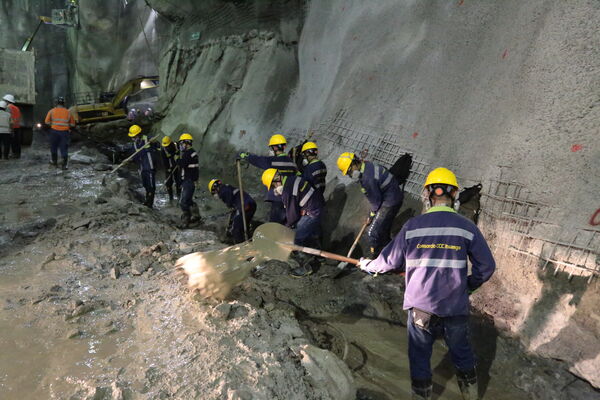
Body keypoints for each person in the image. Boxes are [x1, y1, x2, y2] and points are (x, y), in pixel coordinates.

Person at [357, 167, 496, 400]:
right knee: (462, 353)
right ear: (453, 194)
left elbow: (388, 261)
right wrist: (468, 287)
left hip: (421, 307)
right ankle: (471, 395)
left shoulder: (413, 226)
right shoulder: (466, 227)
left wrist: (367, 265)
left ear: (429, 194)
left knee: (420, 357)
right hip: (454, 306)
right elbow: (487, 267)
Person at [337, 152, 403, 257]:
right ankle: (390, 251)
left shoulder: (367, 178)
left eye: (349, 172)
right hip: (393, 194)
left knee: (372, 233)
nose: (350, 175)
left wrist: (371, 216)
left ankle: (377, 258)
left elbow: (376, 202)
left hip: (390, 201)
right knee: (383, 230)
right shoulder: (367, 165)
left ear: (354, 164)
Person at [261, 168, 325, 277]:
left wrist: (286, 228)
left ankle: (307, 267)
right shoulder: (291, 179)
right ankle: (319, 256)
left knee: (295, 238)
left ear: (276, 181)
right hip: (316, 207)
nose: (274, 189)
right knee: (308, 233)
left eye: (273, 186)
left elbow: (293, 215)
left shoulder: (287, 191)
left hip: (313, 213)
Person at [238, 134, 297, 224]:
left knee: (275, 224)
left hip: (278, 198)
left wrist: (244, 155)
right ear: (284, 146)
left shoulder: (273, 161)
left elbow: (258, 160)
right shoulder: (291, 163)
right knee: (287, 223)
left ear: (274, 148)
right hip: (291, 198)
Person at [208, 179, 256, 243]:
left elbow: (230, 203)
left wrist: (229, 205)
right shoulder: (227, 187)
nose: (215, 195)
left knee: (236, 228)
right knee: (244, 224)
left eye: (214, 193)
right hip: (251, 205)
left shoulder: (223, 191)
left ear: (215, 188)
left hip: (244, 206)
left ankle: (240, 246)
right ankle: (249, 239)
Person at [128, 124, 156, 208]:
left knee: (151, 187)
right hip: (142, 167)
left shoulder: (147, 139)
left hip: (150, 167)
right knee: (146, 185)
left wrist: (153, 143)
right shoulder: (135, 144)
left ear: (138, 134)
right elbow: (135, 156)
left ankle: (149, 204)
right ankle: (147, 200)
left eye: (134, 136)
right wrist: (130, 160)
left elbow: (157, 146)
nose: (133, 138)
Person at [45, 96, 76, 169]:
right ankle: (64, 165)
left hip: (54, 132)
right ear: (64, 103)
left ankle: (54, 162)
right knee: (64, 148)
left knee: (53, 147)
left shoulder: (51, 111)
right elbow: (72, 124)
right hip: (64, 133)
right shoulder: (68, 112)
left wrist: (53, 125)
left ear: (56, 103)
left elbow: (46, 122)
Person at [177, 133, 200, 228]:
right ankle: (196, 215)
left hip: (188, 180)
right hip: (190, 180)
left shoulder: (187, 154)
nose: (181, 146)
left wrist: (177, 160)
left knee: (183, 202)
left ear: (187, 143)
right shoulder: (192, 152)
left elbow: (183, 164)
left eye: (182, 143)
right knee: (188, 199)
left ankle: (186, 221)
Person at [161, 136, 181, 203]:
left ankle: (179, 196)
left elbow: (181, 152)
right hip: (169, 167)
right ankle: (171, 197)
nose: (166, 147)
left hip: (177, 165)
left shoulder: (176, 145)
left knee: (178, 181)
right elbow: (165, 161)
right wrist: (168, 169)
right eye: (165, 146)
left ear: (170, 143)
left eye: (167, 146)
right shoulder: (163, 150)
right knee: (168, 182)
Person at [3, 94, 21, 158]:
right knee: (17, 141)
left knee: (11, 141)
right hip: (17, 126)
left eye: (5, 100)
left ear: (7, 101)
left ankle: (14, 154)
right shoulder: (16, 108)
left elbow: (7, 117)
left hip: (11, 126)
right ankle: (17, 154)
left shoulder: (8, 108)